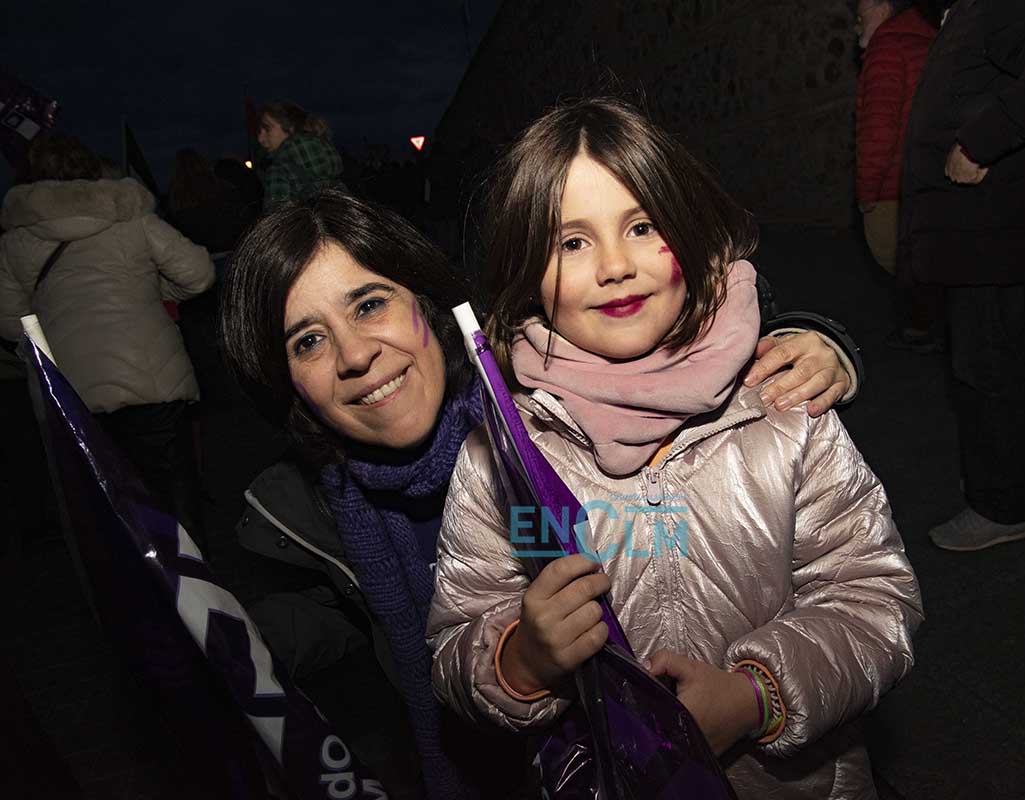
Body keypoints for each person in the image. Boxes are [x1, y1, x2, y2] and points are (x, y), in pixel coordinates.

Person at [219, 188, 860, 798]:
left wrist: (807, 341)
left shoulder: (544, 394)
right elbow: (334, 633)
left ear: (428, 301)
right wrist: (223, 645)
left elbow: (672, 344)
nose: (355, 354)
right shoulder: (312, 518)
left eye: (369, 305)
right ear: (286, 381)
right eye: (308, 341)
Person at [427, 98, 922, 799]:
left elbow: (874, 596)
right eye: (571, 243)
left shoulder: (784, 410)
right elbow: (458, 637)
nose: (615, 266)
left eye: (641, 226)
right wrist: (521, 660)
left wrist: (755, 696)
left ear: (689, 233)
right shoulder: (501, 458)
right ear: (527, 271)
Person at [898, 0, 1025, 550]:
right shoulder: (969, 11)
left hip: (985, 232)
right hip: (978, 234)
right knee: (1003, 360)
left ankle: (999, 505)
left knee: (983, 366)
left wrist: (979, 142)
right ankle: (1022, 485)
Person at [0, 133, 214, 548]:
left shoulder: (15, 242)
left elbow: (11, 324)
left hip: (72, 395)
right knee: (173, 503)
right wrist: (151, 291)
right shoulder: (130, 216)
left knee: (108, 512)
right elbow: (199, 275)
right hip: (153, 382)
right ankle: (195, 583)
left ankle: (137, 585)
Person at [854, 0, 942, 353]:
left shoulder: (887, 47)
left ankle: (923, 329)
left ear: (882, 7)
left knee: (900, 259)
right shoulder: (934, 42)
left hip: (896, 186)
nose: (856, 25)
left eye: (861, 15)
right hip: (934, 180)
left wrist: (867, 191)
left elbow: (879, 128)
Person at [256, 100, 344, 210]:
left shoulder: (280, 169)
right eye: (259, 131)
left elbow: (276, 217)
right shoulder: (329, 158)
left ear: (290, 127)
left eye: (267, 129)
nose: (260, 139)